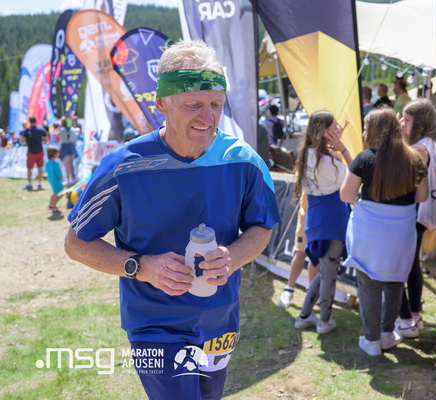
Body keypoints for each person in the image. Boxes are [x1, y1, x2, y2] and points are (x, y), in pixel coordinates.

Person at [64, 40, 281, 400]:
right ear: (161, 103)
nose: (207, 117)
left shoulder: (243, 160)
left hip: (219, 320)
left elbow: (262, 226)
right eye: (193, 104)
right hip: (154, 326)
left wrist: (233, 257)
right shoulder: (124, 166)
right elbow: (76, 243)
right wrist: (141, 267)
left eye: (215, 104)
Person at [340, 107, 428, 356]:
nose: (363, 132)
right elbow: (422, 197)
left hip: (369, 233)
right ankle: (388, 334)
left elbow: (346, 195)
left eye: (366, 127)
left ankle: (372, 340)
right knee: (395, 281)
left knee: (369, 284)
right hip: (401, 233)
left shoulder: (364, 159)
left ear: (375, 130)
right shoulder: (414, 159)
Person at [293, 110, 352, 335]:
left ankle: (304, 316)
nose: (338, 130)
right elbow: (355, 174)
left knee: (326, 269)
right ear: (324, 131)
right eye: (334, 127)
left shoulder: (306, 154)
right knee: (329, 273)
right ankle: (324, 321)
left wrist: (333, 147)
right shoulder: (327, 161)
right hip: (333, 219)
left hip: (317, 220)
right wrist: (342, 149)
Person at [396, 98, 436, 337]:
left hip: (414, 213)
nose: (402, 124)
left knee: (401, 265)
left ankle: (406, 319)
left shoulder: (419, 149)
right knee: (412, 265)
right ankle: (414, 316)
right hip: (424, 213)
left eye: (407, 120)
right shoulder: (431, 144)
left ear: (419, 123)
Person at [277, 192, 319, 307]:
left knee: (315, 256)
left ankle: (312, 293)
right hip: (306, 215)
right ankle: (289, 289)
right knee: (300, 253)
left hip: (321, 217)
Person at [20, 116, 48, 191]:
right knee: (40, 168)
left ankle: (29, 184)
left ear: (29, 122)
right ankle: (39, 183)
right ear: (36, 121)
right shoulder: (41, 129)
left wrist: (24, 143)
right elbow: (46, 138)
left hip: (31, 151)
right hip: (40, 150)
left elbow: (22, 139)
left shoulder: (27, 130)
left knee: (29, 168)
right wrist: (42, 141)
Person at [58, 116, 78, 185]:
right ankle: (73, 179)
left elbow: (54, 134)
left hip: (64, 147)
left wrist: (59, 127)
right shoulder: (73, 129)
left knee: (67, 165)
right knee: (71, 164)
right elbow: (75, 138)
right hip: (72, 147)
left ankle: (68, 180)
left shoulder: (61, 130)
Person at [45, 145, 63, 216]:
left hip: (51, 179)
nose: (59, 153)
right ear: (54, 154)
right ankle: (54, 207)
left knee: (54, 192)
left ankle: (51, 204)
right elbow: (59, 173)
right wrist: (61, 177)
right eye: (58, 152)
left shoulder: (47, 162)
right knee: (57, 193)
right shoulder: (55, 163)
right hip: (56, 180)